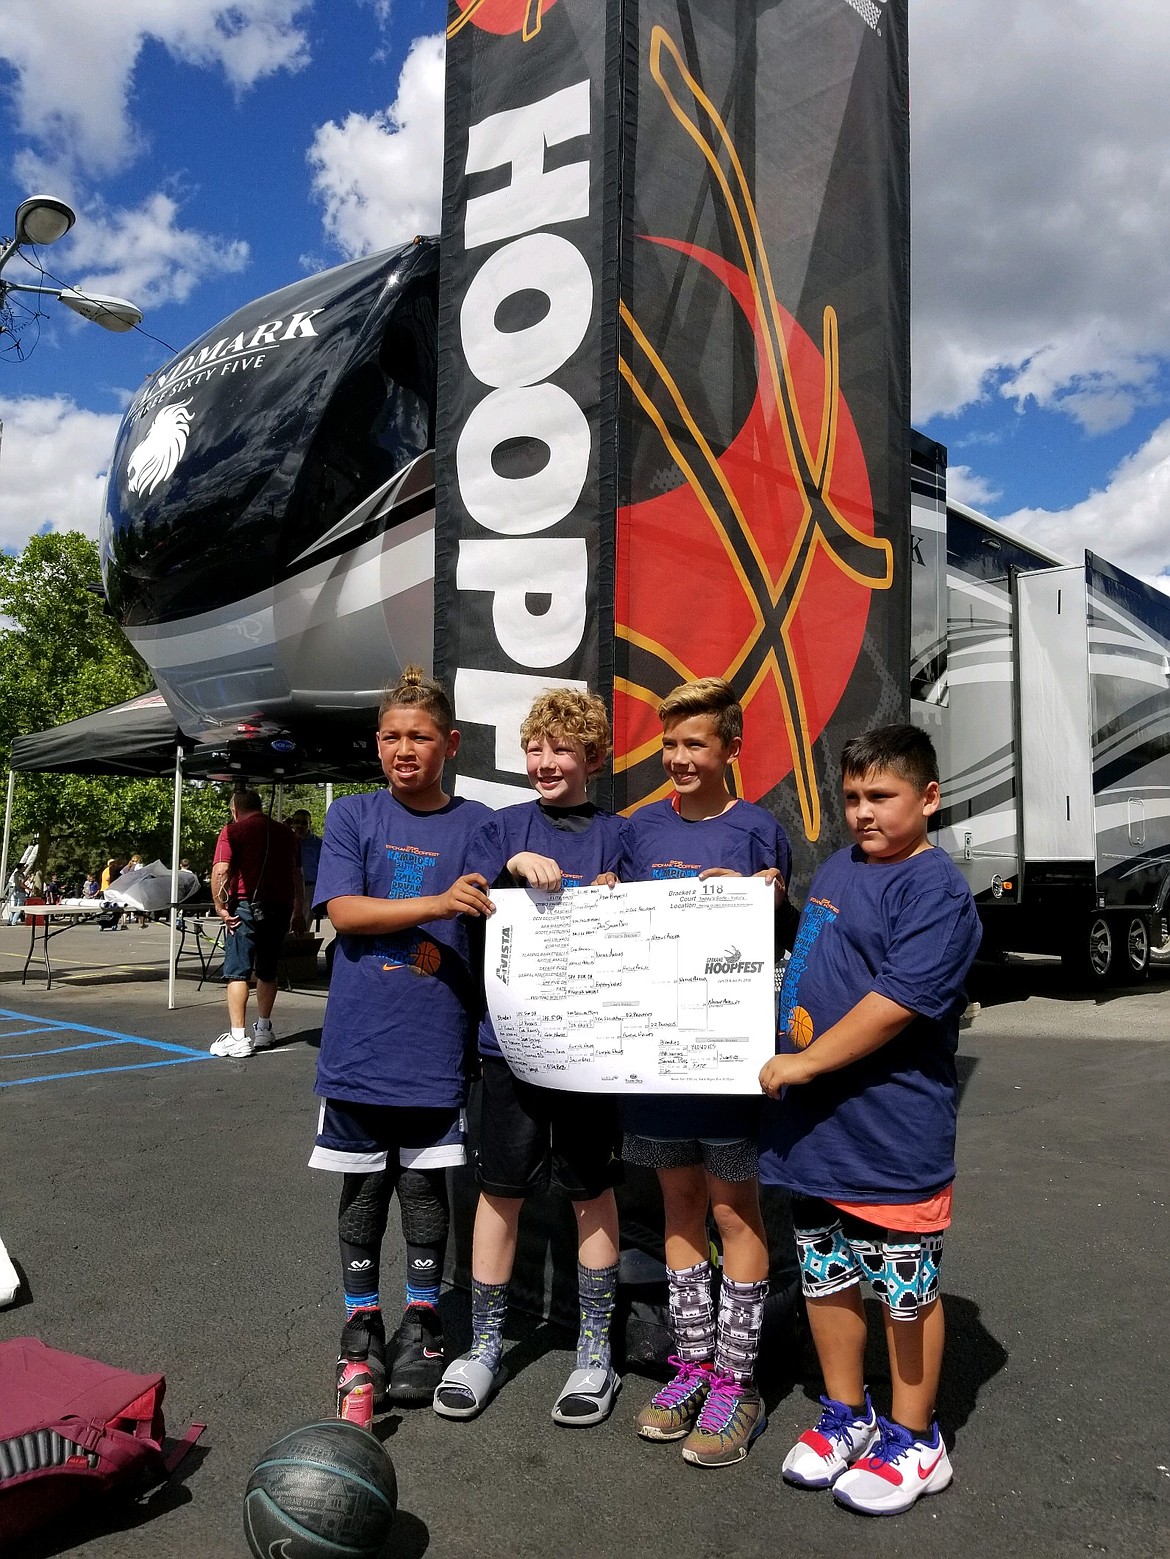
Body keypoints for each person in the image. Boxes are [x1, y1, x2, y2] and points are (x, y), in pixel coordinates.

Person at [758, 724, 981, 1516]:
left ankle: (917, 1437)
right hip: (814, 1136)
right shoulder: (842, 867)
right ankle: (846, 1413)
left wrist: (807, 1061)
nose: (862, 812)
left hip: (891, 1137)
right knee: (827, 1274)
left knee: (905, 1290)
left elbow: (893, 1005)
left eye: (881, 796)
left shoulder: (938, 891)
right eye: (851, 796)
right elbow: (817, 955)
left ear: (928, 796)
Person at [432, 688, 634, 1428]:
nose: (545, 762)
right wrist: (511, 862)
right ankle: (484, 1344)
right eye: (535, 749)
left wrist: (622, 896)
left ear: (591, 756)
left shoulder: (620, 833)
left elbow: (650, 932)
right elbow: (471, 895)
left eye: (561, 749)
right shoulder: (499, 827)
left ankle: (594, 1352)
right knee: (500, 1190)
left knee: (591, 1192)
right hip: (507, 1047)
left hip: (590, 1052)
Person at [309, 666, 494, 1429]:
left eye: (420, 735)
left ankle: (423, 1320)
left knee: (424, 1191)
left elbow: (528, 880)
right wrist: (438, 902)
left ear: (449, 743)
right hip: (359, 1047)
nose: (404, 748)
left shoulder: (479, 821)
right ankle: (362, 1325)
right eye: (391, 736)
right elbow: (346, 912)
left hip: (436, 1046)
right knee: (362, 1191)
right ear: (377, 743)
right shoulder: (353, 816)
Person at [622, 677, 791, 1468]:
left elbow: (782, 940)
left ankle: (739, 1381)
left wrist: (764, 897)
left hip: (727, 1064)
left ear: (730, 747)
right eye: (672, 743)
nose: (681, 757)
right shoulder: (637, 830)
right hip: (656, 1062)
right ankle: (692, 1365)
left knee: (736, 1213)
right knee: (679, 1205)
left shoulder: (759, 830)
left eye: (697, 743)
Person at [208, 790, 303, 1058]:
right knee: (267, 969)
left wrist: (220, 907)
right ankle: (263, 1027)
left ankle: (238, 1036)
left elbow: (221, 870)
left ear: (235, 809)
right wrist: (298, 911)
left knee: (237, 970)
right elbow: (297, 875)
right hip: (281, 906)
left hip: (246, 904)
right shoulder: (288, 834)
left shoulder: (232, 831)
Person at [288, 811, 322, 930]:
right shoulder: (287, 841)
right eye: (296, 822)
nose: (299, 826)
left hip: (309, 889)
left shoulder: (318, 843)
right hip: (289, 889)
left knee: (302, 927)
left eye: (304, 823)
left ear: (309, 824)